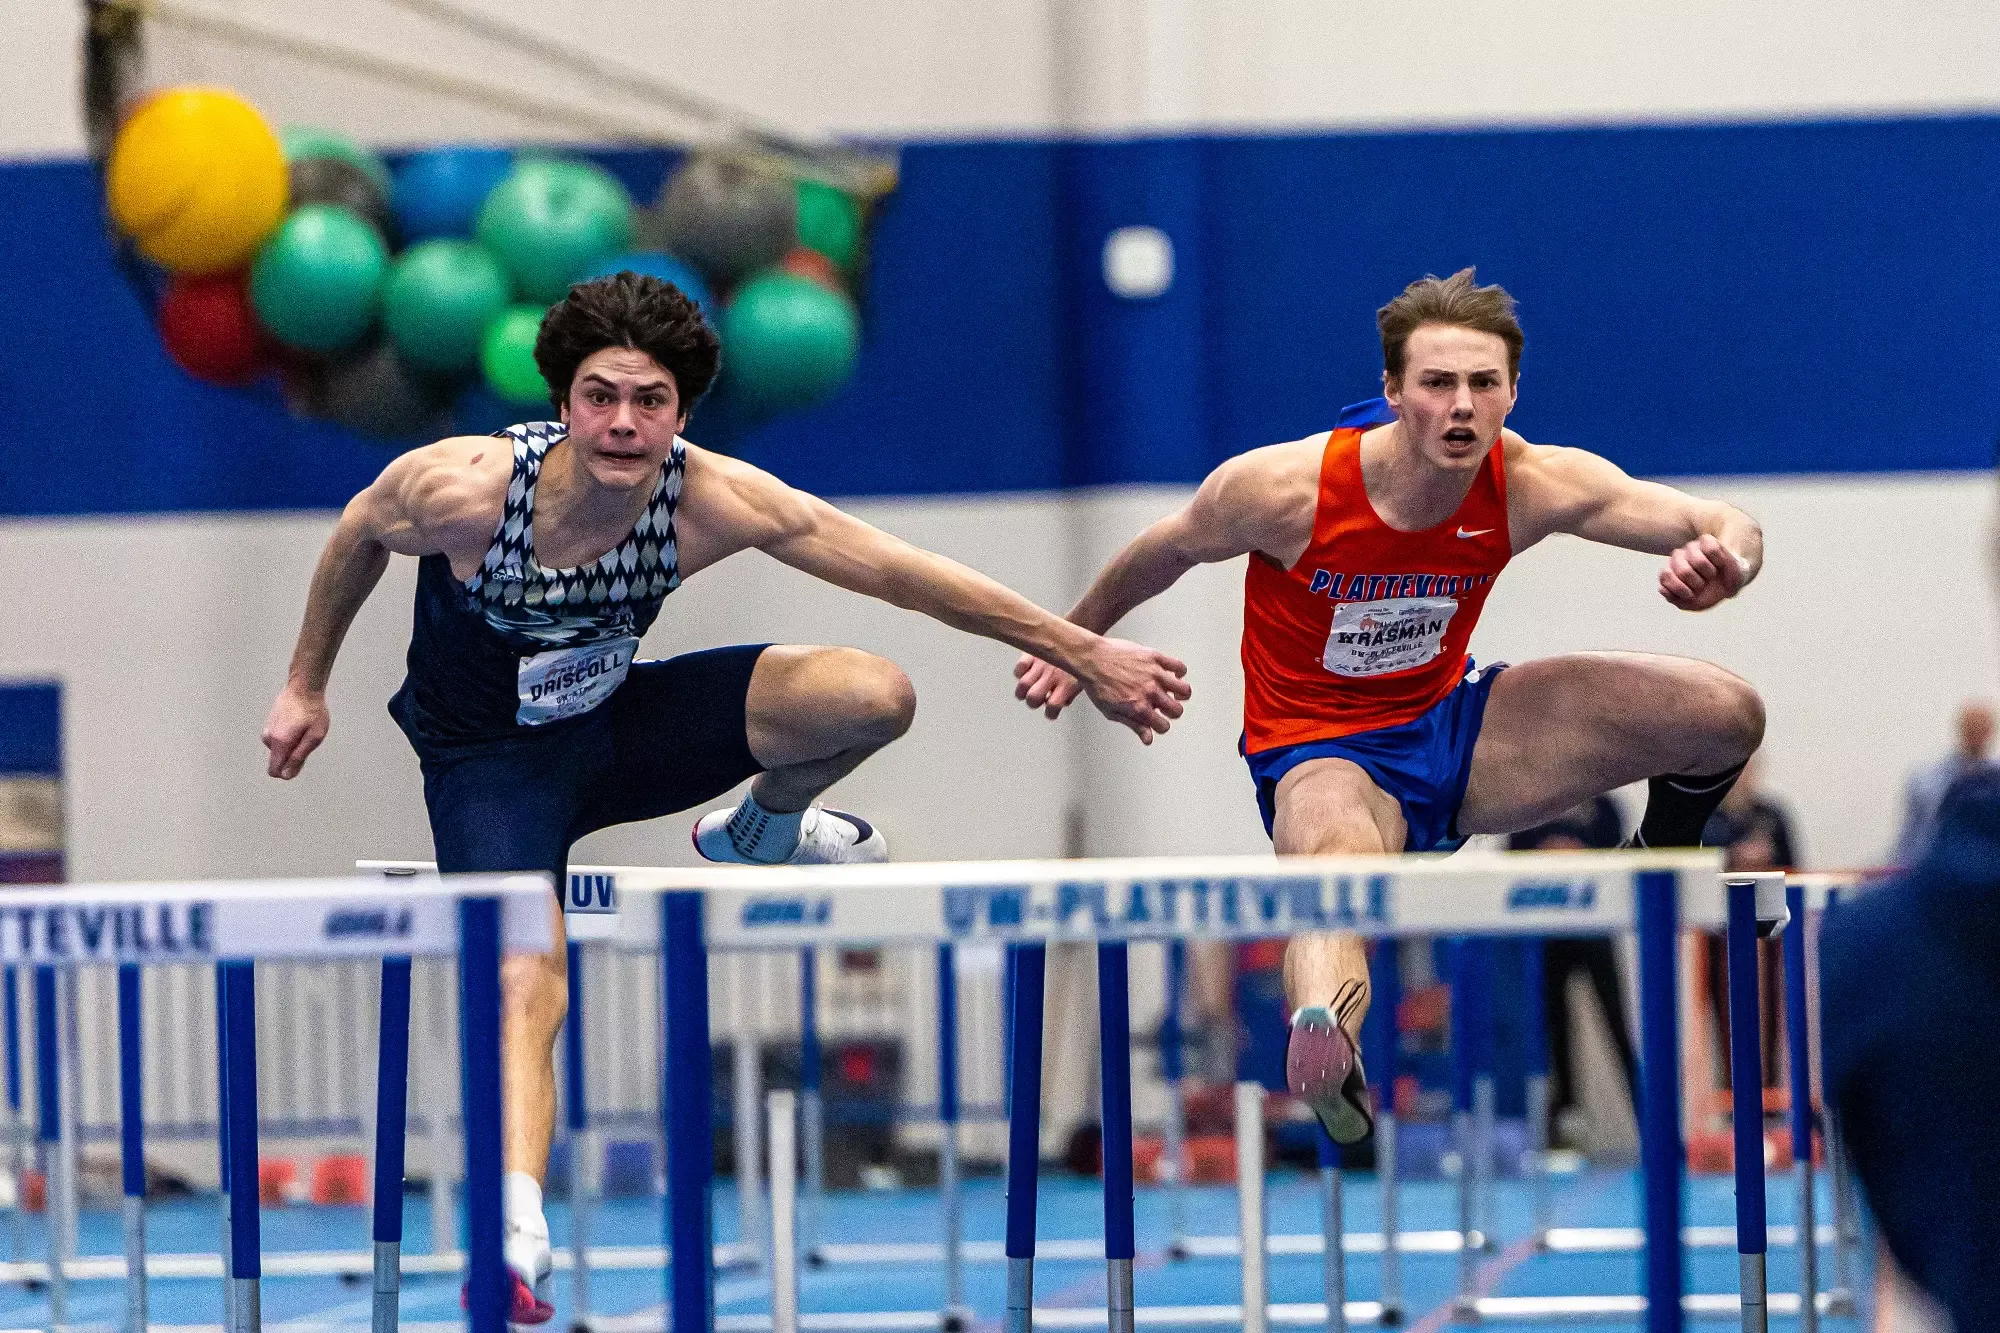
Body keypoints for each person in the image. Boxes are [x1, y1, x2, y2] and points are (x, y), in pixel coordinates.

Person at [260, 273, 1192, 1321]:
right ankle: (518, 1234)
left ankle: (765, 826)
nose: (622, 424)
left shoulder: (710, 496)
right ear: (562, 402)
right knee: (529, 979)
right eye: (601, 396)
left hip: (621, 727)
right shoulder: (465, 491)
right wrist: (305, 684)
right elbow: (354, 537)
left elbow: (901, 571)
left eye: (648, 401)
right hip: (492, 764)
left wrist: (1082, 650)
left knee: (871, 694)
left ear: (681, 413)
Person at [1012, 268, 1765, 1146]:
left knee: (1726, 712)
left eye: (1483, 385)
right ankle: (1329, 1047)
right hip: (1322, 751)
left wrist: (1728, 564)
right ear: (1392, 392)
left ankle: (1658, 850)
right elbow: (1163, 549)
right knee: (1334, 872)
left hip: (1458, 728)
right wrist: (1077, 646)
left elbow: (1723, 518)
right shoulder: (1283, 489)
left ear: (1512, 393)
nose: (1461, 407)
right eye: (1437, 383)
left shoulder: (1533, 481)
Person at [1508, 797, 1637, 1150]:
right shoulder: (1527, 806)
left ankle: (1650, 1122)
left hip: (1595, 931)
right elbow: (1511, 858)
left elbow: (1619, 857)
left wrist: (1576, 854)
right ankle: (1564, 1128)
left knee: (1618, 1027)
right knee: (1555, 1032)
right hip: (1547, 934)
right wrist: (1546, 854)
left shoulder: (1606, 809)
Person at [1889, 700, 1995, 866]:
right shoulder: (1925, 780)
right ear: (1960, 729)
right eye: (1971, 727)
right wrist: (1897, 868)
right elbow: (1910, 832)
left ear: (1990, 731)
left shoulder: (1996, 780)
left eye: (1981, 727)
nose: (1976, 733)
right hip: (1934, 870)